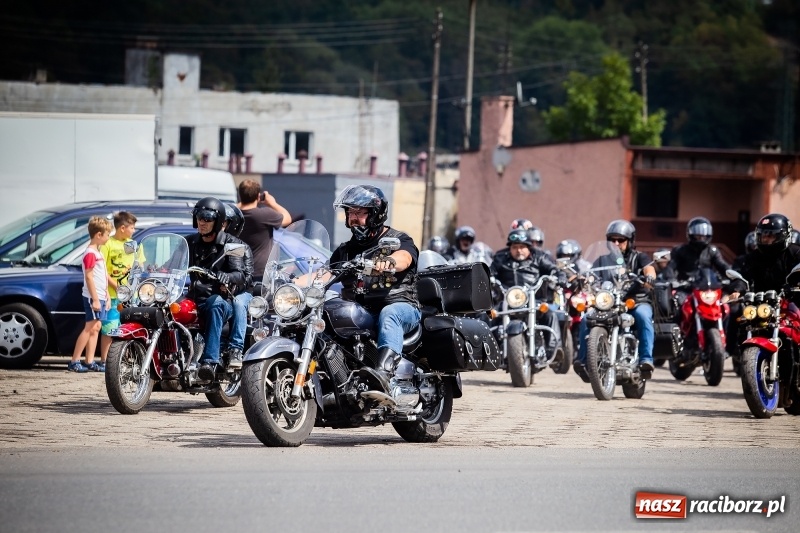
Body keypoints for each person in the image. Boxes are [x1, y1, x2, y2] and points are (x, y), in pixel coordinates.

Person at [327, 185, 420, 391]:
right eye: (350, 212)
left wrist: (389, 262)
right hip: (363, 311)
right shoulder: (346, 250)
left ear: (376, 214)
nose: (353, 218)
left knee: (390, 313)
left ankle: (384, 373)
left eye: (359, 213)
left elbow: (404, 258)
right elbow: (326, 272)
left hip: (402, 307)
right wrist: (294, 283)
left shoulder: (398, 240)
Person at [573, 220, 657, 379]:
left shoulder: (639, 257)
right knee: (586, 319)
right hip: (609, 302)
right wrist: (583, 278)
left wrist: (650, 277)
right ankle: (584, 360)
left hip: (635, 301)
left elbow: (649, 268)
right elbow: (591, 273)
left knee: (643, 316)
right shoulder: (602, 260)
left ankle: (646, 359)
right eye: (612, 240)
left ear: (630, 241)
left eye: (621, 240)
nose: (616, 243)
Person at [187, 197, 253, 380]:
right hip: (194, 295)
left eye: (208, 219)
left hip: (220, 297)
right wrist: (158, 269)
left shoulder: (234, 245)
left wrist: (228, 277)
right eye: (200, 217)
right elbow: (172, 264)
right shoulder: (189, 242)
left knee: (219, 303)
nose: (202, 222)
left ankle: (210, 361)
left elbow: (241, 275)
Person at [490, 228, 566, 359]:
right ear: (510, 248)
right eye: (515, 247)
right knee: (488, 315)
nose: (518, 250)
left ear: (529, 247)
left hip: (534, 299)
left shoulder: (540, 256)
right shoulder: (500, 258)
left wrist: (559, 276)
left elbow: (554, 269)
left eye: (522, 247)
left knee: (549, 313)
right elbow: (490, 272)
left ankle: (555, 349)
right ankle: (488, 349)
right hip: (508, 300)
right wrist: (486, 278)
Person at [68, 216, 112, 372]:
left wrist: (106, 294)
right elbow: (89, 276)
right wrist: (95, 299)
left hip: (100, 295)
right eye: (107, 235)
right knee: (89, 327)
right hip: (93, 296)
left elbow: (102, 276)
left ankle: (89, 360)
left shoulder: (97, 253)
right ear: (99, 234)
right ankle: (74, 361)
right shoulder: (90, 253)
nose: (108, 238)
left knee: (96, 327)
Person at [99, 211, 142, 369]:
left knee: (130, 328)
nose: (134, 230)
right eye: (132, 227)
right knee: (109, 328)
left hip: (132, 296)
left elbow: (140, 266)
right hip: (112, 295)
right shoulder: (108, 244)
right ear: (122, 228)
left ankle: (126, 359)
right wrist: (116, 286)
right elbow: (102, 270)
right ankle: (105, 362)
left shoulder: (133, 244)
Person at [237, 179, 291, 279]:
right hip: (260, 273)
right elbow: (287, 219)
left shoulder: (234, 215)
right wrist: (272, 203)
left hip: (238, 270)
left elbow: (237, 206)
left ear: (240, 195)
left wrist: (242, 201)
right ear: (258, 196)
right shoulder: (264, 215)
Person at [222, 203, 255, 368]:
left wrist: (232, 286)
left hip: (240, 292)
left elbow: (247, 277)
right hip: (219, 291)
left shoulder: (235, 246)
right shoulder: (207, 246)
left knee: (238, 302)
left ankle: (236, 348)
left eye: (223, 222)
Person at [663, 217, 731, 285]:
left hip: (708, 288)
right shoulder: (680, 250)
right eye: (698, 235)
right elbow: (670, 267)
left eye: (703, 235)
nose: (701, 238)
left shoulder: (712, 251)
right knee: (677, 295)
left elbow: (722, 265)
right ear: (690, 234)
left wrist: (733, 276)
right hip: (685, 288)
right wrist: (671, 280)